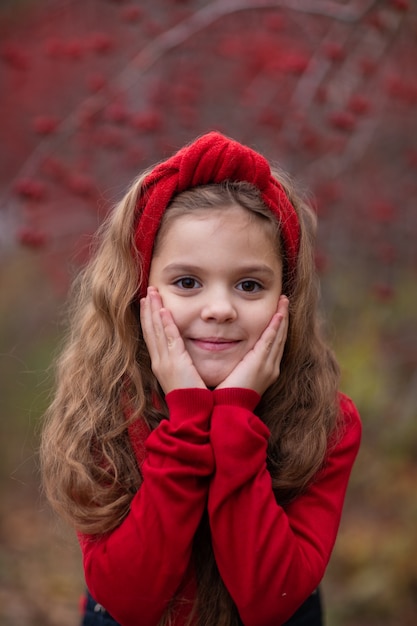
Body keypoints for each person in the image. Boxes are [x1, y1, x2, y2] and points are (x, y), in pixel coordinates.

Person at [40, 131, 361, 626]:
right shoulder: (103, 405)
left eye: (249, 285)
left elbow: (270, 601)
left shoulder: (326, 420)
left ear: (286, 296)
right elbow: (129, 601)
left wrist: (233, 416)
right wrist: (188, 417)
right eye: (187, 282)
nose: (219, 309)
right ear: (139, 290)